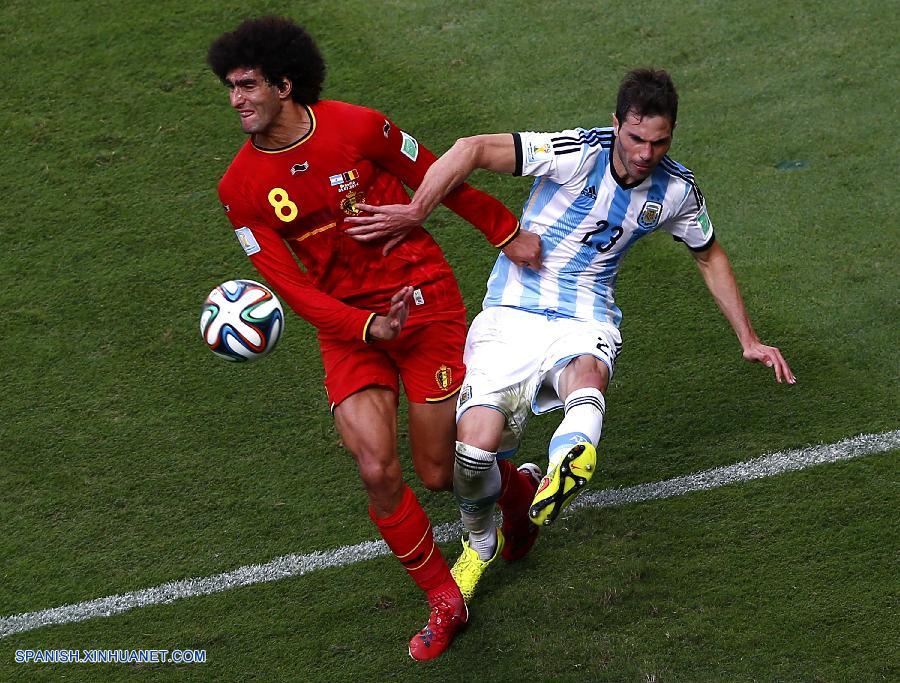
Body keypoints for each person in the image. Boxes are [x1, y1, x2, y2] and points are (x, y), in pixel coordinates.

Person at [345, 68, 796, 600]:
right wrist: (418, 209)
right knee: (471, 455)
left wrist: (748, 337)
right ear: (615, 125)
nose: (646, 153)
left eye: (659, 142)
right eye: (635, 139)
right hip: (512, 311)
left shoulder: (676, 190)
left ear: (671, 135)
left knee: (587, 374)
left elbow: (708, 253)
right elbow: (469, 148)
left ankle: (571, 458)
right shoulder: (576, 152)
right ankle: (481, 542)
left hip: (586, 314)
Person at [206, 16, 541, 661]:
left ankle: (515, 490)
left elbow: (438, 176)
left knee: (440, 473)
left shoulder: (357, 127)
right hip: (349, 328)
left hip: (422, 304)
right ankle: (444, 599)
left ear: (284, 83)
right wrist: (363, 326)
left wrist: (504, 230)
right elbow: (292, 289)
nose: (237, 99)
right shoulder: (239, 189)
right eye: (230, 87)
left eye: (248, 85)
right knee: (375, 468)